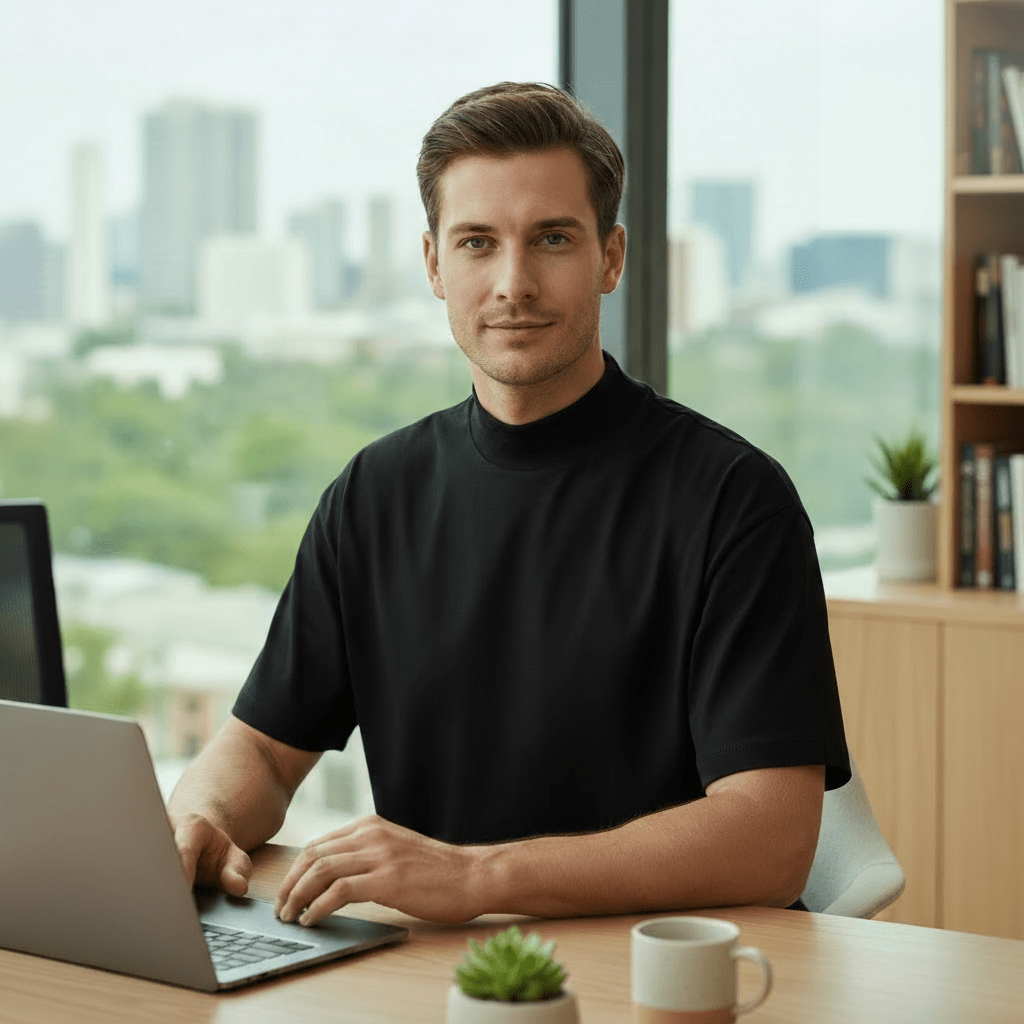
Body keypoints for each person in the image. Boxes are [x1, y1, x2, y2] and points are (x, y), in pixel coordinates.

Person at [169, 82, 849, 928]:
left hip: (652, 976)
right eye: (477, 243)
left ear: (611, 256)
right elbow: (263, 754)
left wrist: (476, 878)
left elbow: (771, 840)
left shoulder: (734, 500)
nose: (512, 283)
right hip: (429, 979)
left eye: (552, 239)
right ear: (433, 265)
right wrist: (199, 814)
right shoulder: (373, 495)